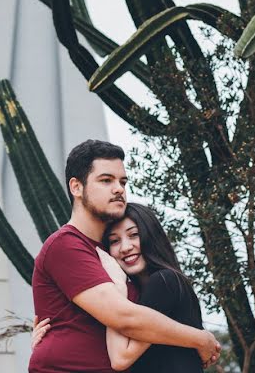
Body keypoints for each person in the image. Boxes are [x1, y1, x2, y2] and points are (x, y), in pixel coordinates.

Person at [28, 139, 219, 373]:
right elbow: (124, 317)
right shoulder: (66, 245)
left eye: (122, 182)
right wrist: (200, 339)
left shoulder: (116, 257)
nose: (119, 188)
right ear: (76, 187)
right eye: (106, 180)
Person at [33, 203, 205, 372]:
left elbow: (119, 358)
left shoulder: (163, 281)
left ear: (151, 235)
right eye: (114, 241)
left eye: (134, 235)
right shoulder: (142, 293)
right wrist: (48, 345)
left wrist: (119, 288)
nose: (125, 247)